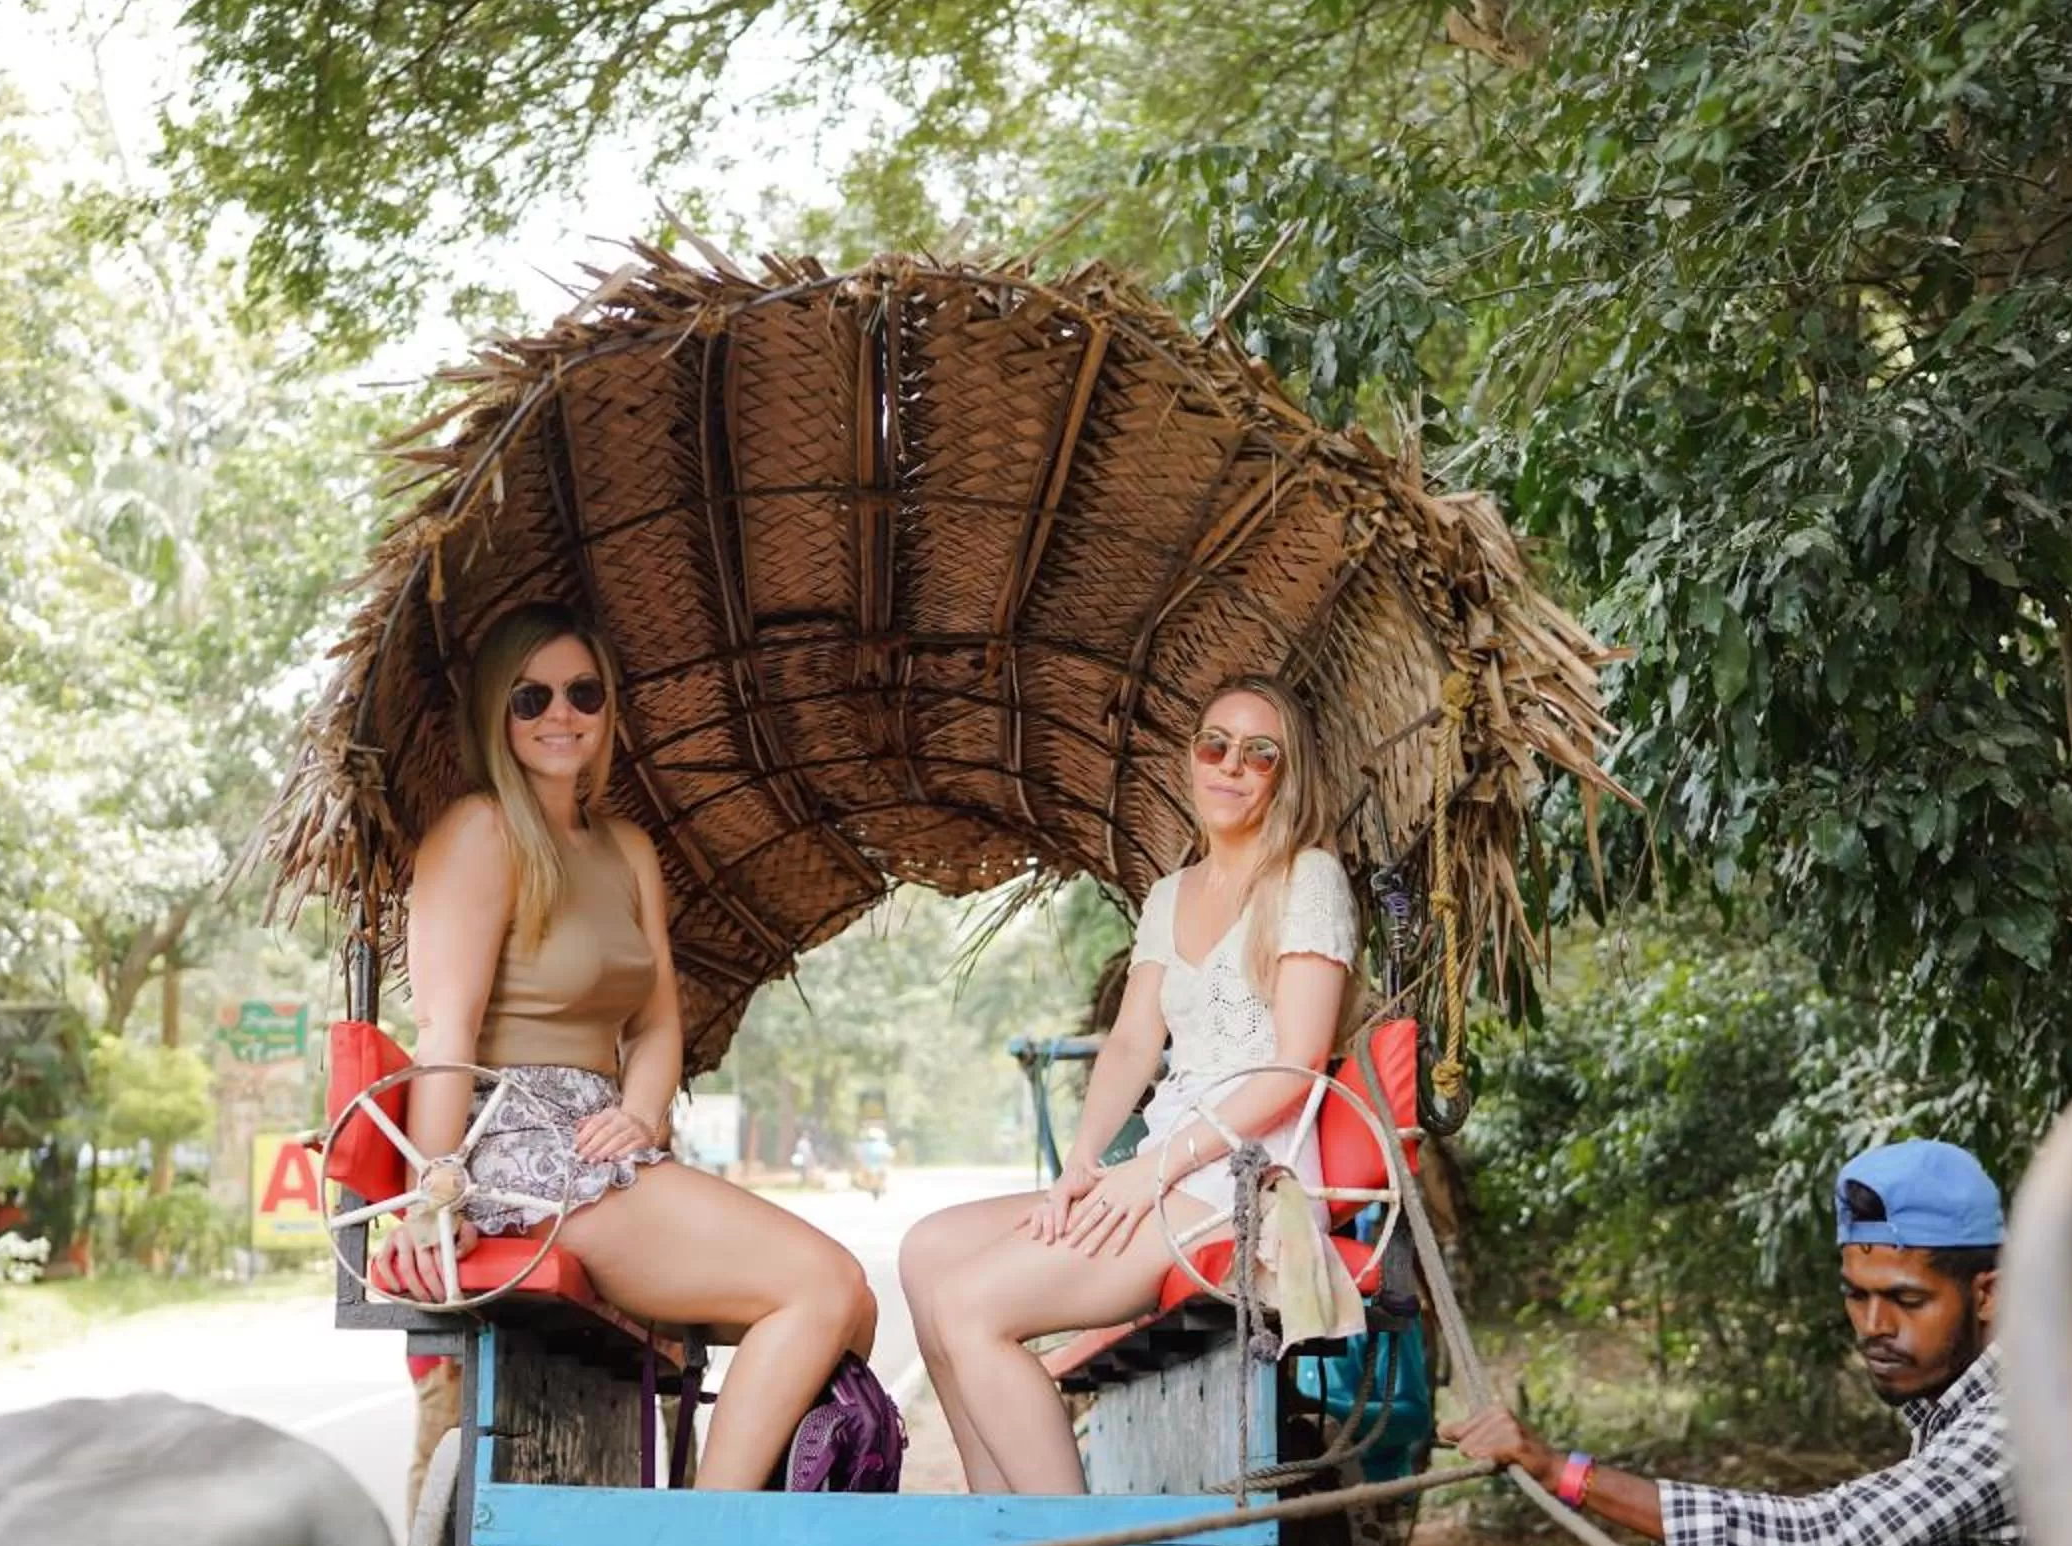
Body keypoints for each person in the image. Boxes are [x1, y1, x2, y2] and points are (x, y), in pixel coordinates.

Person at [374, 601, 877, 1492]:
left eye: (582, 693)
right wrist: (434, 1191)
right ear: (498, 712)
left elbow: (655, 1023)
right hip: (517, 1150)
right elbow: (444, 1033)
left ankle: (751, 1534)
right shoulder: (481, 832)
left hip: (605, 1138)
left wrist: (642, 1111)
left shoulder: (626, 847)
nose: (560, 714)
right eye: (531, 698)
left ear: (609, 709)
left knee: (854, 1308)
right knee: (825, 1287)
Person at [1443, 1139, 2072, 1546]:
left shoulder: (2017, 1428)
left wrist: (1563, 1470)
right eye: (1858, 1296)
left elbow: (1819, 1542)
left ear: (1987, 1293)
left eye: (1907, 1300)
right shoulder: (1956, 1408)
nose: (1875, 1327)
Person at [899, 676, 1357, 1495]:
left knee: (972, 1305)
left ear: (1289, 775)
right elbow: (1134, 1043)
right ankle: (992, 1523)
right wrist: (1083, 1163)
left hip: (1244, 1180)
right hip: (1166, 1169)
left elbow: (1296, 1066)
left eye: (1260, 754)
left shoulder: (1306, 879)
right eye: (1213, 744)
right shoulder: (1170, 893)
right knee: (927, 1252)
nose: (1230, 767)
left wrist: (1158, 1168)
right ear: (1190, 758)